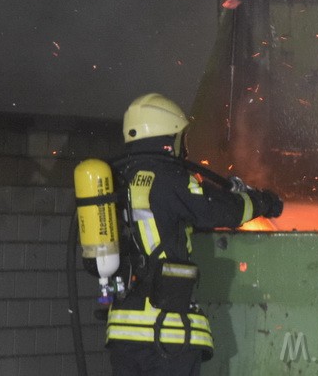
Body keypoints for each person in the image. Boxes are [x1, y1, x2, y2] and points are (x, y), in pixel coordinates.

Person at [105, 93, 283, 376]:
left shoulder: (118, 177)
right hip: (165, 332)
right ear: (169, 138)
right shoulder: (169, 179)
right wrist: (263, 202)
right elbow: (222, 211)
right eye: (181, 138)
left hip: (123, 333)